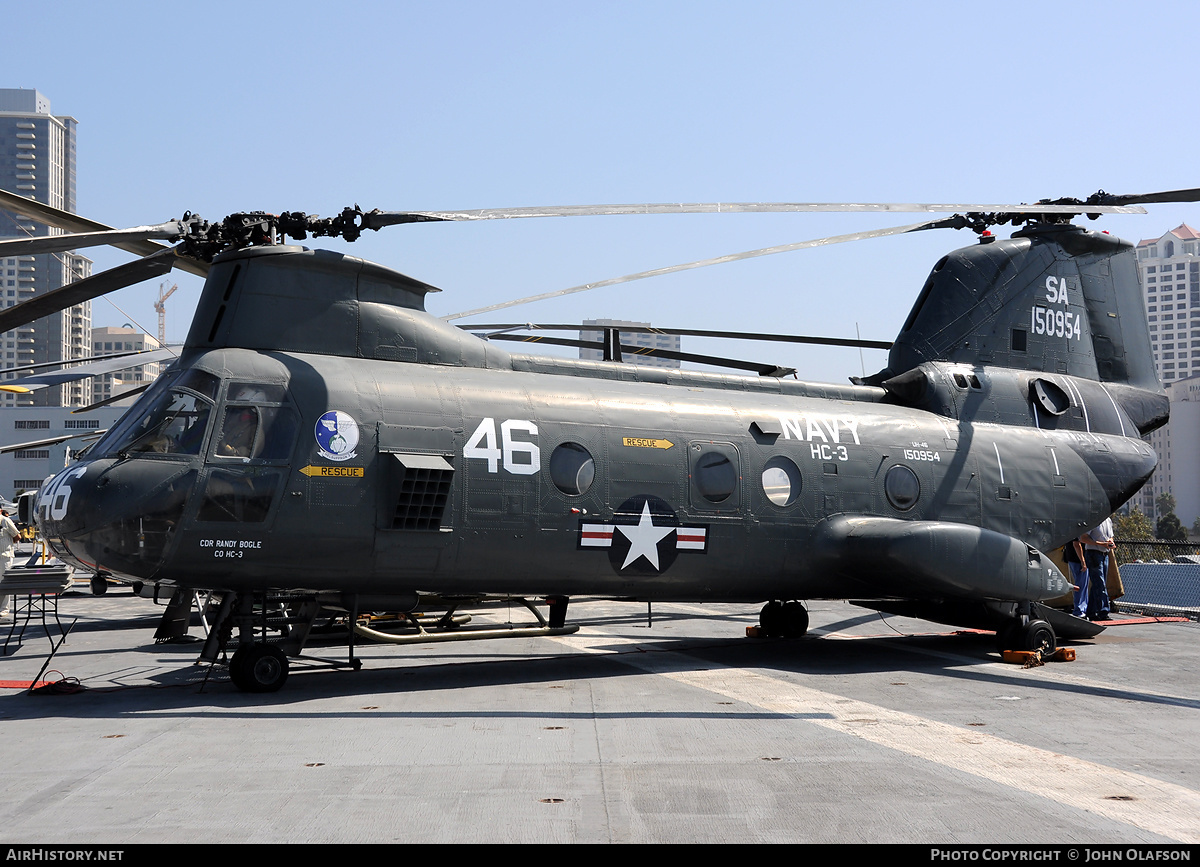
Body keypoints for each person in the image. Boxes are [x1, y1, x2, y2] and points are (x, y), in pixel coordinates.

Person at [1082, 517, 1116, 621]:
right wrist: (1101, 544)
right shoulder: (1093, 520)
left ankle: (1091, 611)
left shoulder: (1108, 520)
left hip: (1104, 553)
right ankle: (1103, 611)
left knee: (1098, 584)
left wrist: (1110, 542)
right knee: (1100, 583)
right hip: (1093, 553)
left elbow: (1111, 536)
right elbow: (1083, 538)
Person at [1064, 534, 1089, 618]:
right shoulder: (1079, 530)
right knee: (1081, 585)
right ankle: (1079, 609)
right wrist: (1083, 561)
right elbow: (1076, 544)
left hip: (1072, 558)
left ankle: (1082, 607)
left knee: (1082, 584)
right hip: (1077, 559)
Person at [0, 508, 19, 617]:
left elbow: (17, 536)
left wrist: (8, 545)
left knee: (4, 583)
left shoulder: (5, 521)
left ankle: (4, 609)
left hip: (4, 557)